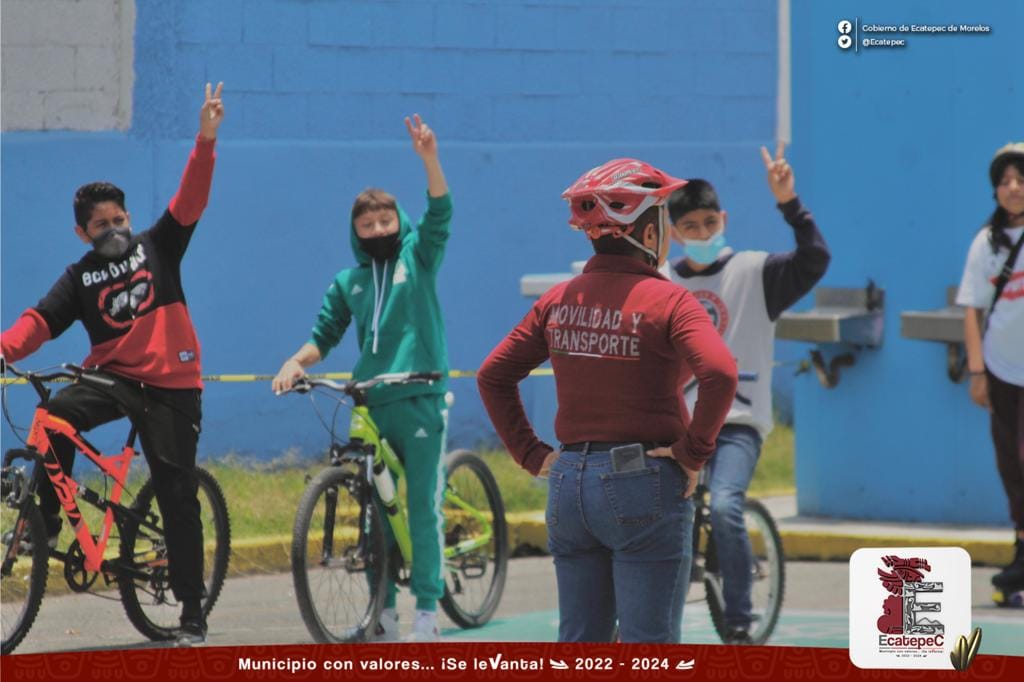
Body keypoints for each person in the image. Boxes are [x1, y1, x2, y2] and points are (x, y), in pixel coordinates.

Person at [0, 83, 226, 645]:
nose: (115, 229)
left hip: (173, 385)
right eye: (102, 225)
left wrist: (205, 139)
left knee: (176, 493)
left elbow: (191, 198)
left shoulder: (159, 245)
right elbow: (38, 322)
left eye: (120, 218)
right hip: (114, 379)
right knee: (52, 420)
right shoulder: (79, 276)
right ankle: (46, 522)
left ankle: (191, 609)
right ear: (83, 232)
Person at [477, 158, 738, 643]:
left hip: (569, 484)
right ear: (647, 231)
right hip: (645, 484)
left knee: (580, 643)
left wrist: (532, 455)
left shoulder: (559, 299)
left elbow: (494, 375)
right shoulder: (672, 301)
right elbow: (720, 373)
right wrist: (692, 452)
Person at [272, 115, 452, 642]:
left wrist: (429, 160)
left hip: (419, 396)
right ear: (354, 232)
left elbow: (440, 214)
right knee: (374, 514)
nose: (378, 232)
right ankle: (384, 612)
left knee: (420, 506)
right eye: (367, 227)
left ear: (399, 223)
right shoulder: (348, 281)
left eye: (386, 223)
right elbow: (323, 335)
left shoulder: (418, 259)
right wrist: (296, 362)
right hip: (369, 405)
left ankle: (426, 612)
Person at [664, 143, 830, 643]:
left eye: (709, 223)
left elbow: (816, 258)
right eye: (689, 227)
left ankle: (738, 619)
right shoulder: (662, 283)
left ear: (724, 220)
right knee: (655, 511)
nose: (701, 234)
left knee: (727, 506)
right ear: (673, 233)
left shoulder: (757, 272)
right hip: (677, 424)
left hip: (736, 423)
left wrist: (790, 204)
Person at [956, 142, 1024, 596]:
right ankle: (1021, 552)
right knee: (1011, 466)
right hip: (1002, 373)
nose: (1013, 187)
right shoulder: (986, 242)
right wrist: (978, 372)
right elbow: (973, 311)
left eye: (1020, 178)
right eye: (1004, 181)